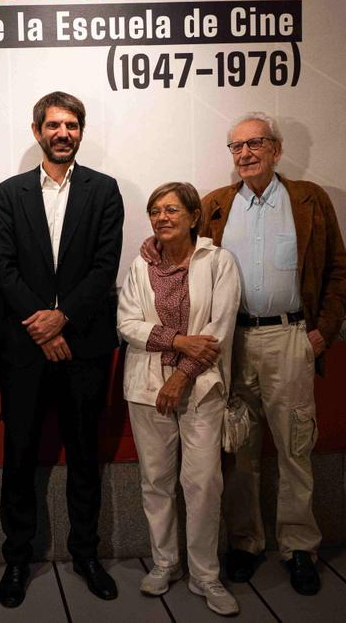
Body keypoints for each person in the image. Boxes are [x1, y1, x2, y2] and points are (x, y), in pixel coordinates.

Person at [203, 112, 346, 595]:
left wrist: (323, 334)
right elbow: (186, 257)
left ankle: (300, 547)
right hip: (233, 342)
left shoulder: (309, 200)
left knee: (295, 447)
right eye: (236, 147)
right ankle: (245, 543)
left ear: (276, 149)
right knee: (239, 448)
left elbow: (337, 272)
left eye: (255, 143)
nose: (245, 154)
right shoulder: (216, 206)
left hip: (291, 339)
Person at [0, 91, 125, 607]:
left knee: (84, 456)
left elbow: (103, 267)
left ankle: (86, 554)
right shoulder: (11, 192)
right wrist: (41, 327)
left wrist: (63, 317)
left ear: (81, 131)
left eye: (71, 124)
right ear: (36, 131)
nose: (62, 132)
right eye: (53, 124)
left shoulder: (105, 190)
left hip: (84, 347)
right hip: (26, 350)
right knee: (20, 456)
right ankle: (18, 558)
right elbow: (2, 264)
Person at [117, 182, 241, 615]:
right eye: (155, 211)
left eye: (171, 209)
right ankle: (165, 562)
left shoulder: (218, 262)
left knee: (204, 482)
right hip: (146, 386)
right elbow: (128, 323)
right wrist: (178, 340)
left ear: (193, 216)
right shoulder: (139, 265)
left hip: (201, 387)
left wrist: (182, 374)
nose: (162, 217)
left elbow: (219, 330)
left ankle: (205, 574)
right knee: (156, 480)